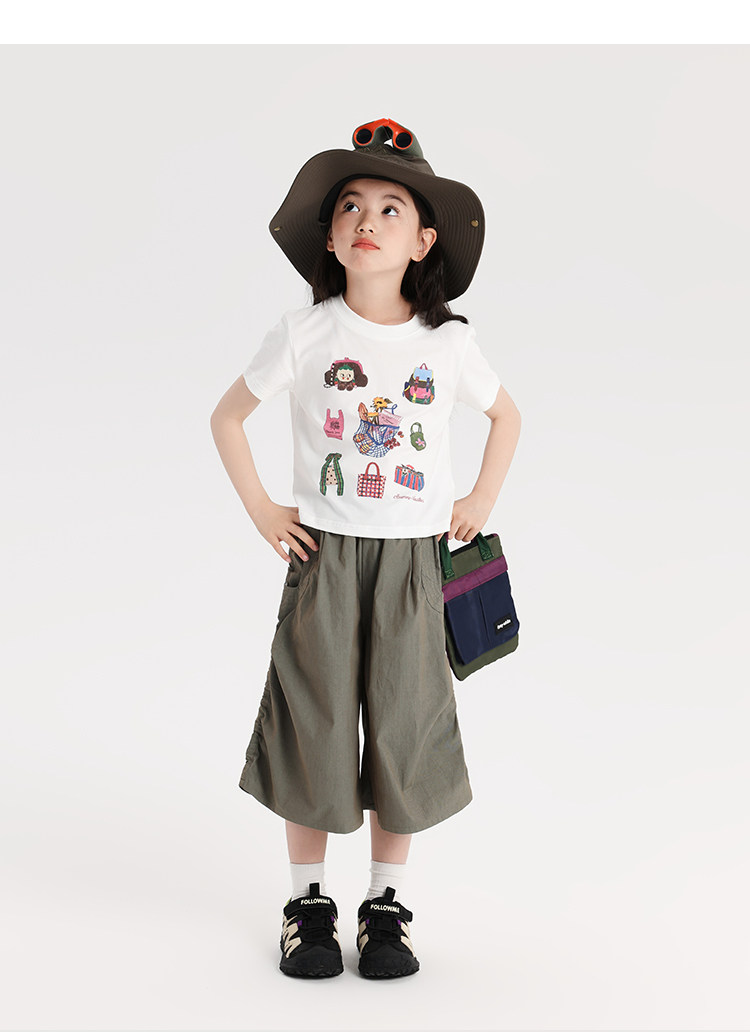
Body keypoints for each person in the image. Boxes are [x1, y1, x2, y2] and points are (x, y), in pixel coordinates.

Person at [210, 117, 522, 979]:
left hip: (415, 564)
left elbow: (507, 416)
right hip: (324, 560)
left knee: (404, 725)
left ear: (424, 241)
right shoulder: (306, 334)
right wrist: (264, 510)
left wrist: (480, 500)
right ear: (330, 236)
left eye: (391, 208)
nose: (367, 221)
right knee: (312, 721)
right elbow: (227, 417)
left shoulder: (449, 345)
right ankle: (308, 902)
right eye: (350, 206)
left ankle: (386, 904)